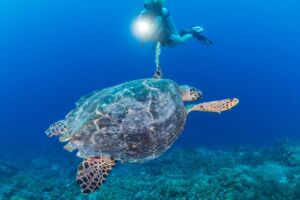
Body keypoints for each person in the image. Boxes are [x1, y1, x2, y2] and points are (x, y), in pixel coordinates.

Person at [135, 0, 213, 47]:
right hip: (154, 33)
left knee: (177, 43)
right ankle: (185, 31)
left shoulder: (163, 12)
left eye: (153, 7)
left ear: (157, 6)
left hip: (164, 30)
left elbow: (172, 28)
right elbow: (140, 30)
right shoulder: (142, 14)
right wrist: (142, 39)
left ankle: (193, 32)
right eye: (147, 6)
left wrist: (177, 38)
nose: (150, 9)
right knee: (170, 44)